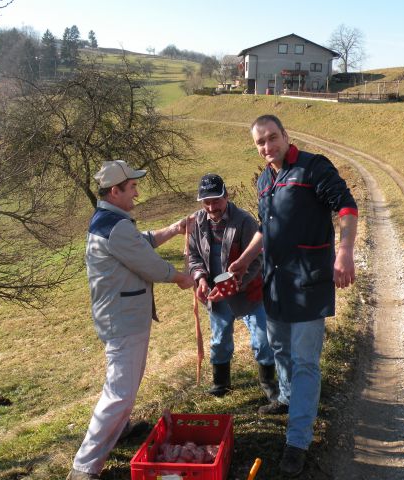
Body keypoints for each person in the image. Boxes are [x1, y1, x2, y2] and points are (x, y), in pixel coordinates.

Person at [229, 115, 358, 477]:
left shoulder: (313, 168)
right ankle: (286, 398)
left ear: (286, 136)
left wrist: (345, 252)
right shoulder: (264, 180)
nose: (267, 147)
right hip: (274, 283)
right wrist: (242, 260)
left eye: (272, 138)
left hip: (309, 283)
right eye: (260, 142)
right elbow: (264, 229)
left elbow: (347, 207)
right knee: (280, 350)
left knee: (304, 362)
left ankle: (297, 441)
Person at [67, 160, 194, 480]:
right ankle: (84, 467)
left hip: (119, 318)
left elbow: (140, 242)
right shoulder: (116, 226)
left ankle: (119, 429)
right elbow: (149, 264)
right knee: (120, 392)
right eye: (132, 186)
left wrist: (175, 229)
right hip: (123, 322)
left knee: (124, 385)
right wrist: (179, 276)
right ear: (115, 191)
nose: (137, 191)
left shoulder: (110, 221)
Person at [187, 174, 278, 401]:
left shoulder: (245, 221)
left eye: (216, 200)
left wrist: (236, 284)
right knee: (219, 340)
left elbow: (257, 260)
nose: (211, 207)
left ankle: (268, 383)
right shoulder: (197, 222)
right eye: (206, 202)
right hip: (216, 296)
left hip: (249, 291)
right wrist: (200, 279)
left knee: (263, 339)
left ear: (226, 196)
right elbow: (194, 257)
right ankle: (221, 383)